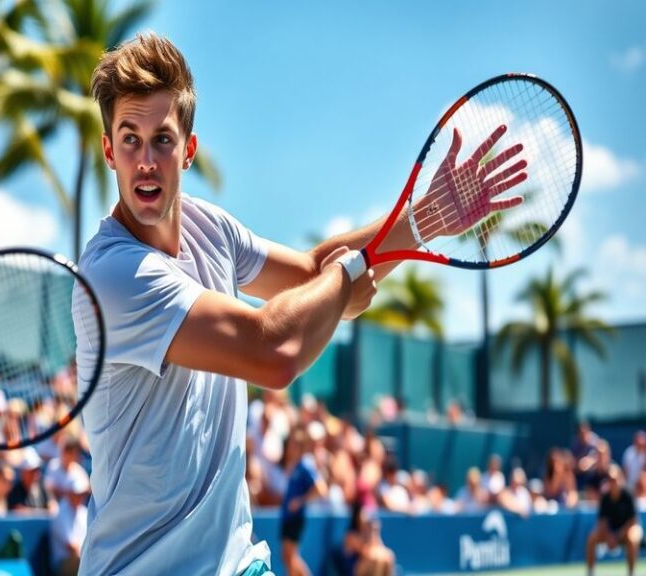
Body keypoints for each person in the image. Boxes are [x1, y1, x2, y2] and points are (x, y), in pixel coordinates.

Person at [73, 32, 527, 576]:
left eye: (162, 140)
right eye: (130, 140)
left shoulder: (208, 226)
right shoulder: (112, 274)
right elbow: (275, 350)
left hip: (237, 564)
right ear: (108, 151)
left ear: (188, 149)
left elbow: (314, 277)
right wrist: (347, 275)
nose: (145, 160)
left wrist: (426, 218)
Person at [280, 428, 328, 576]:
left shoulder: (305, 465)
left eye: (295, 444)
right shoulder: (295, 466)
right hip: (288, 517)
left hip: (295, 517)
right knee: (288, 556)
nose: (291, 447)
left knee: (290, 555)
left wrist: (300, 501)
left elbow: (321, 489)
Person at [586, 464, 642, 576]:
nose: (613, 482)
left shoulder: (628, 495)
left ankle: (631, 573)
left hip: (626, 530)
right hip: (610, 532)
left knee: (633, 538)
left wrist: (619, 535)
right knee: (591, 538)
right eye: (610, 480)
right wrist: (609, 536)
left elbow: (632, 521)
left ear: (620, 479)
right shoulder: (605, 498)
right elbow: (602, 522)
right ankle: (590, 572)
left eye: (615, 479)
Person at [339, 503, 396, 576]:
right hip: (353, 569)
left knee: (388, 556)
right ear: (357, 516)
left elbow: (380, 547)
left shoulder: (368, 531)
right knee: (375, 559)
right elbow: (366, 552)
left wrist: (375, 532)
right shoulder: (351, 535)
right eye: (363, 514)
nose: (365, 517)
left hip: (369, 562)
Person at [51, 472, 90, 576]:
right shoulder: (60, 513)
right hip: (62, 563)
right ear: (69, 493)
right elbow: (71, 547)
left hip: (82, 557)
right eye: (75, 493)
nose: (79, 497)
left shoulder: (85, 512)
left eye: (81, 494)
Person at [7, 446, 57, 515]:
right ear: (23, 472)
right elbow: (19, 511)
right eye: (32, 471)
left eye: (37, 470)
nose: (36, 473)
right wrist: (44, 512)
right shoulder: (15, 491)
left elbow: (53, 508)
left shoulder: (42, 486)